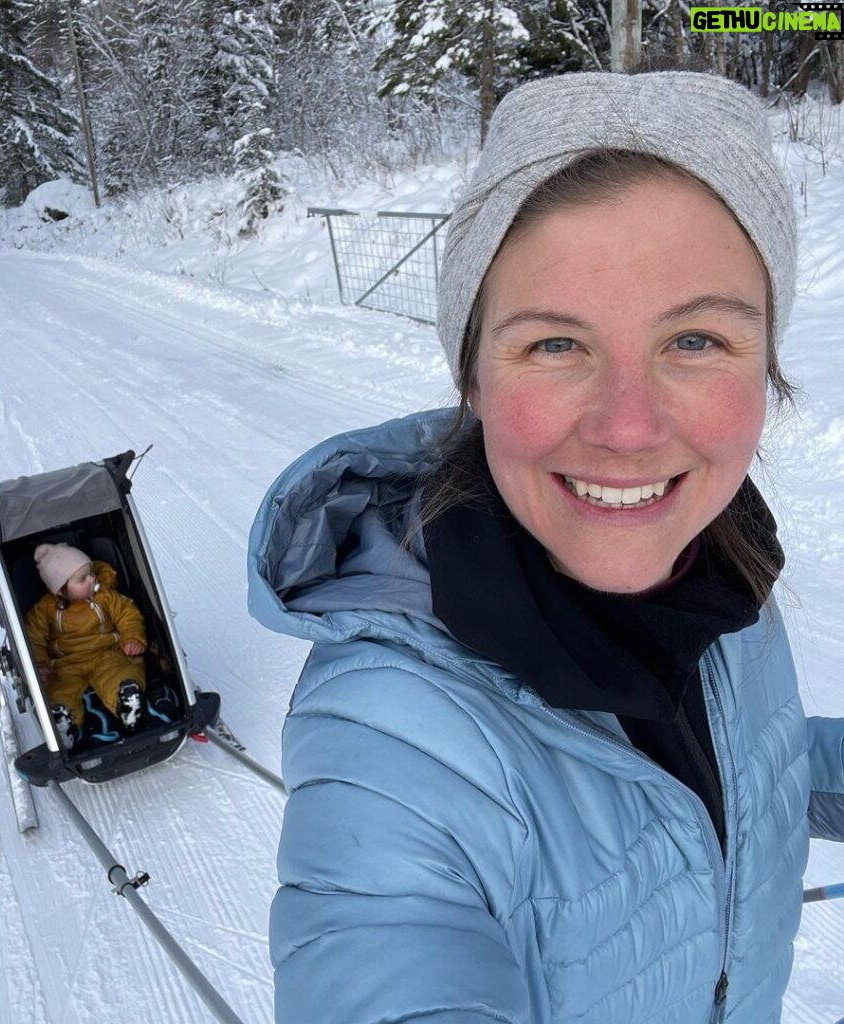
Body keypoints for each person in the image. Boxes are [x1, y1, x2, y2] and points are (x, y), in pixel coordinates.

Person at [247, 71, 844, 1024]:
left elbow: (745, 765)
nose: (628, 428)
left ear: (766, 367)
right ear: (474, 379)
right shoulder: (391, 738)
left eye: (694, 340)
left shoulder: (724, 575)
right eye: (557, 345)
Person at [25, 541, 147, 749]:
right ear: (61, 590)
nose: (92, 579)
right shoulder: (45, 610)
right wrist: (41, 664)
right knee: (60, 688)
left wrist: (132, 638)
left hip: (106, 653)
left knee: (120, 671)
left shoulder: (105, 597)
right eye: (82, 579)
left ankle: (127, 700)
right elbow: (34, 638)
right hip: (65, 664)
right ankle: (63, 718)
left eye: (91, 573)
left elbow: (129, 616)